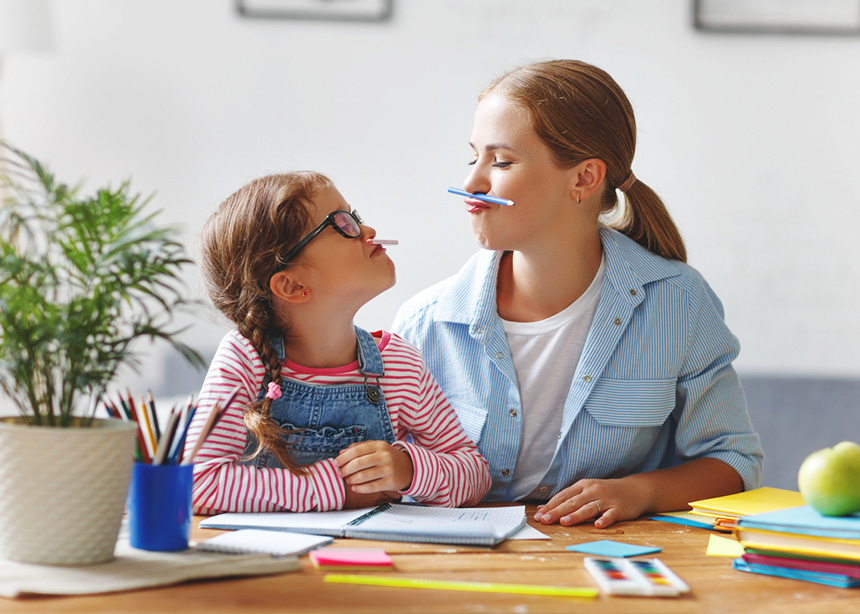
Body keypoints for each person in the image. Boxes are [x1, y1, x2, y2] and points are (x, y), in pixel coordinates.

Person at [392, 59, 763, 529]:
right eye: (474, 157)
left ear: (584, 178)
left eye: (501, 161)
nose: (471, 183)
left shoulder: (679, 303)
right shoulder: (424, 323)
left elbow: (734, 461)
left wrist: (642, 492)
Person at [186, 171, 491, 514]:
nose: (368, 231)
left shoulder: (397, 365)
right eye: (342, 224)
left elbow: (474, 473)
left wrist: (409, 470)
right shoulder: (244, 359)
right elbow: (197, 482)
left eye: (355, 216)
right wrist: (334, 489)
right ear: (291, 286)